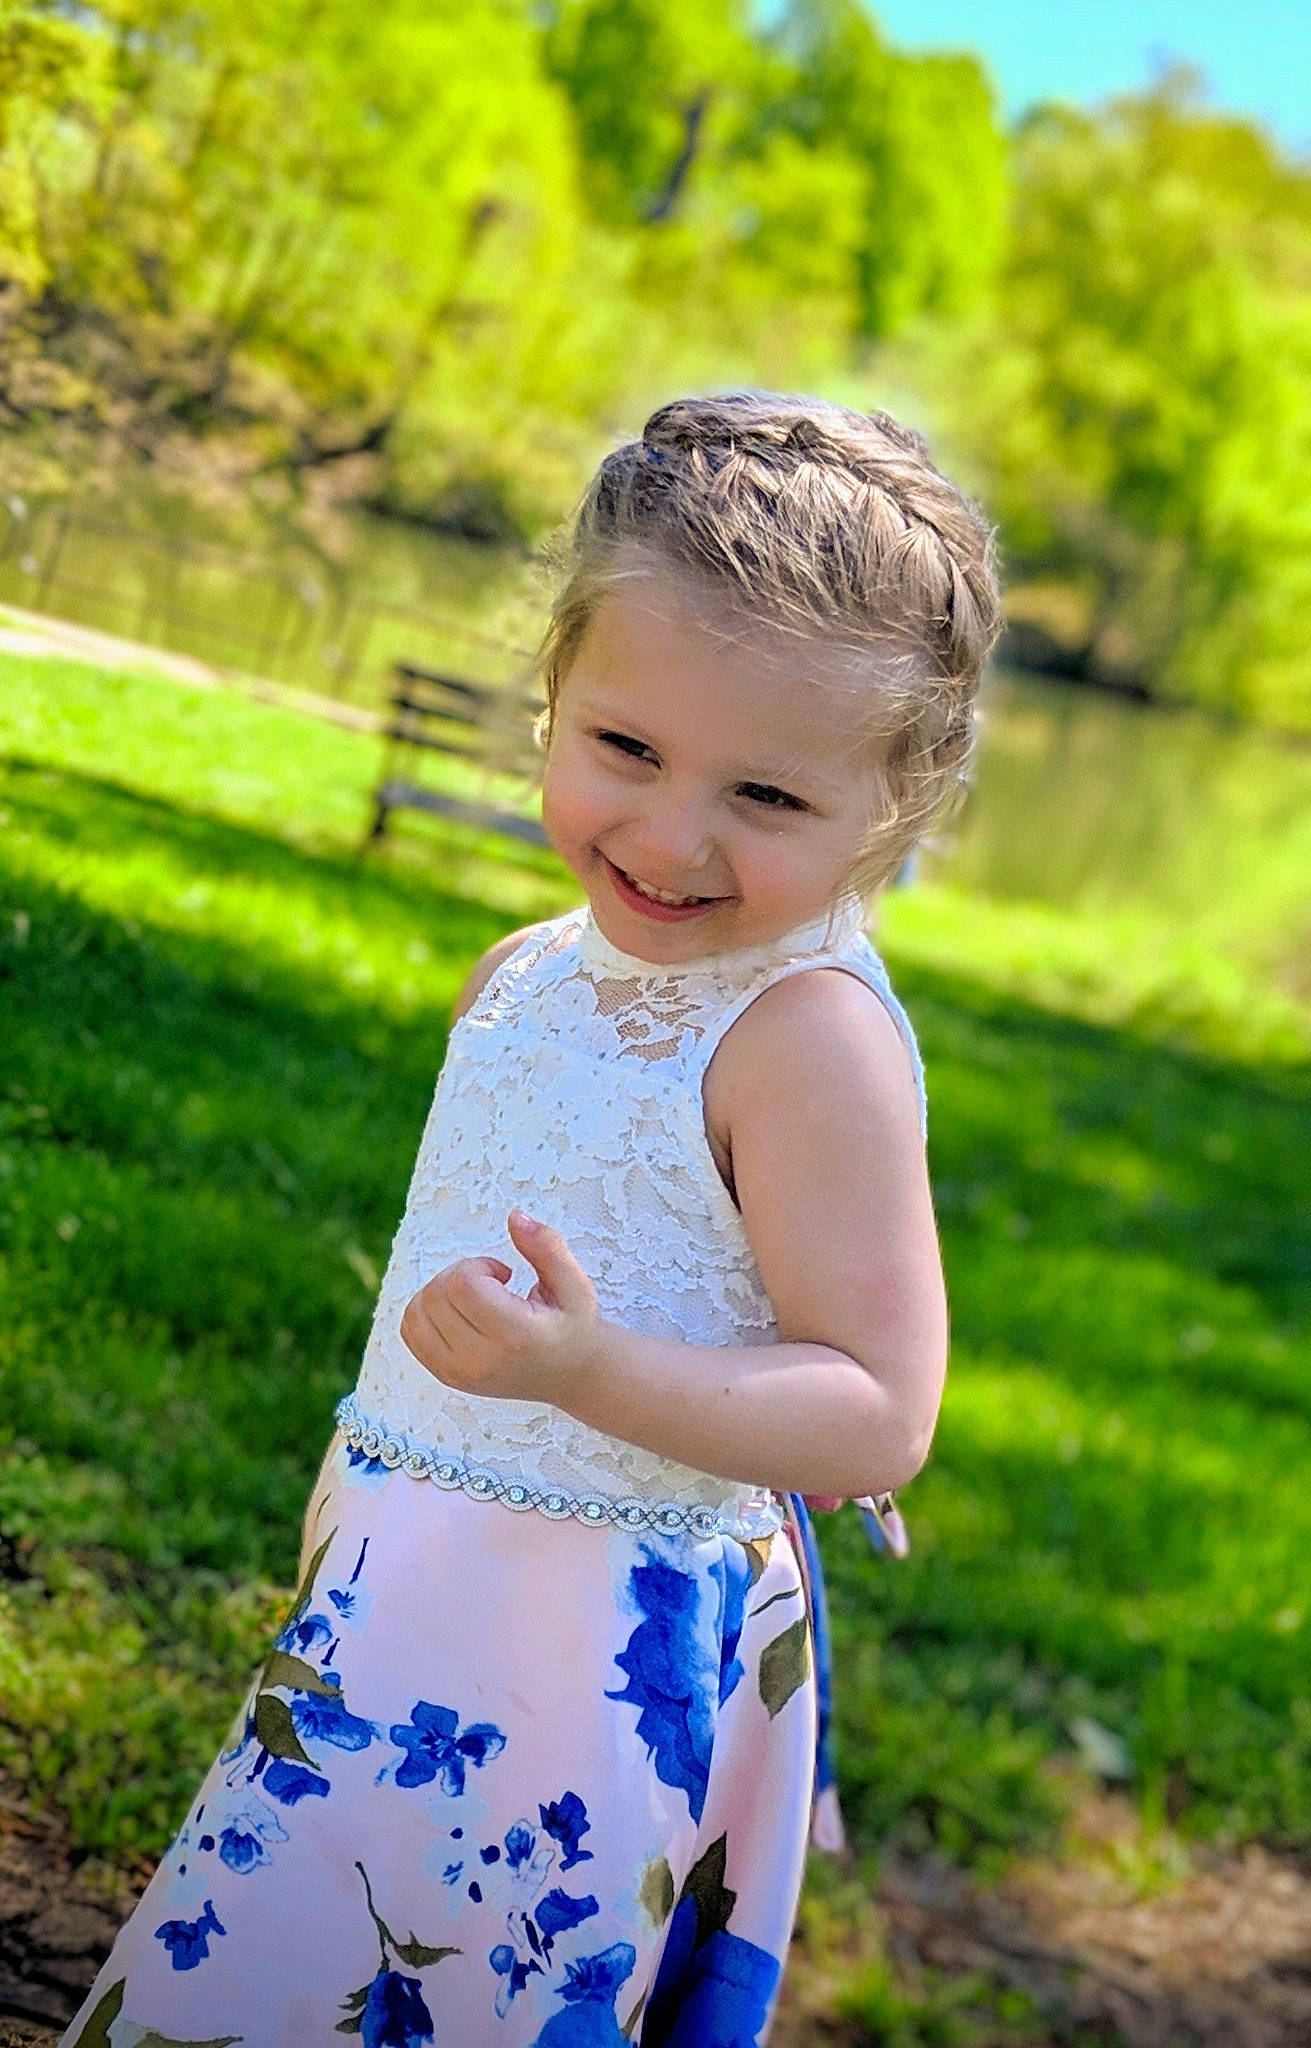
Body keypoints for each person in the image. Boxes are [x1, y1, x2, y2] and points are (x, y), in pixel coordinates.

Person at [62, 391, 1001, 2048]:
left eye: (769, 798)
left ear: (899, 805)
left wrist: (589, 1369)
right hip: (405, 1576)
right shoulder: (519, 977)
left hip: (584, 1651)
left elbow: (879, 1413)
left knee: (465, 1985)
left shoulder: (807, 1040)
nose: (669, 834)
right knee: (268, 1954)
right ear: (554, 689)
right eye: (625, 749)